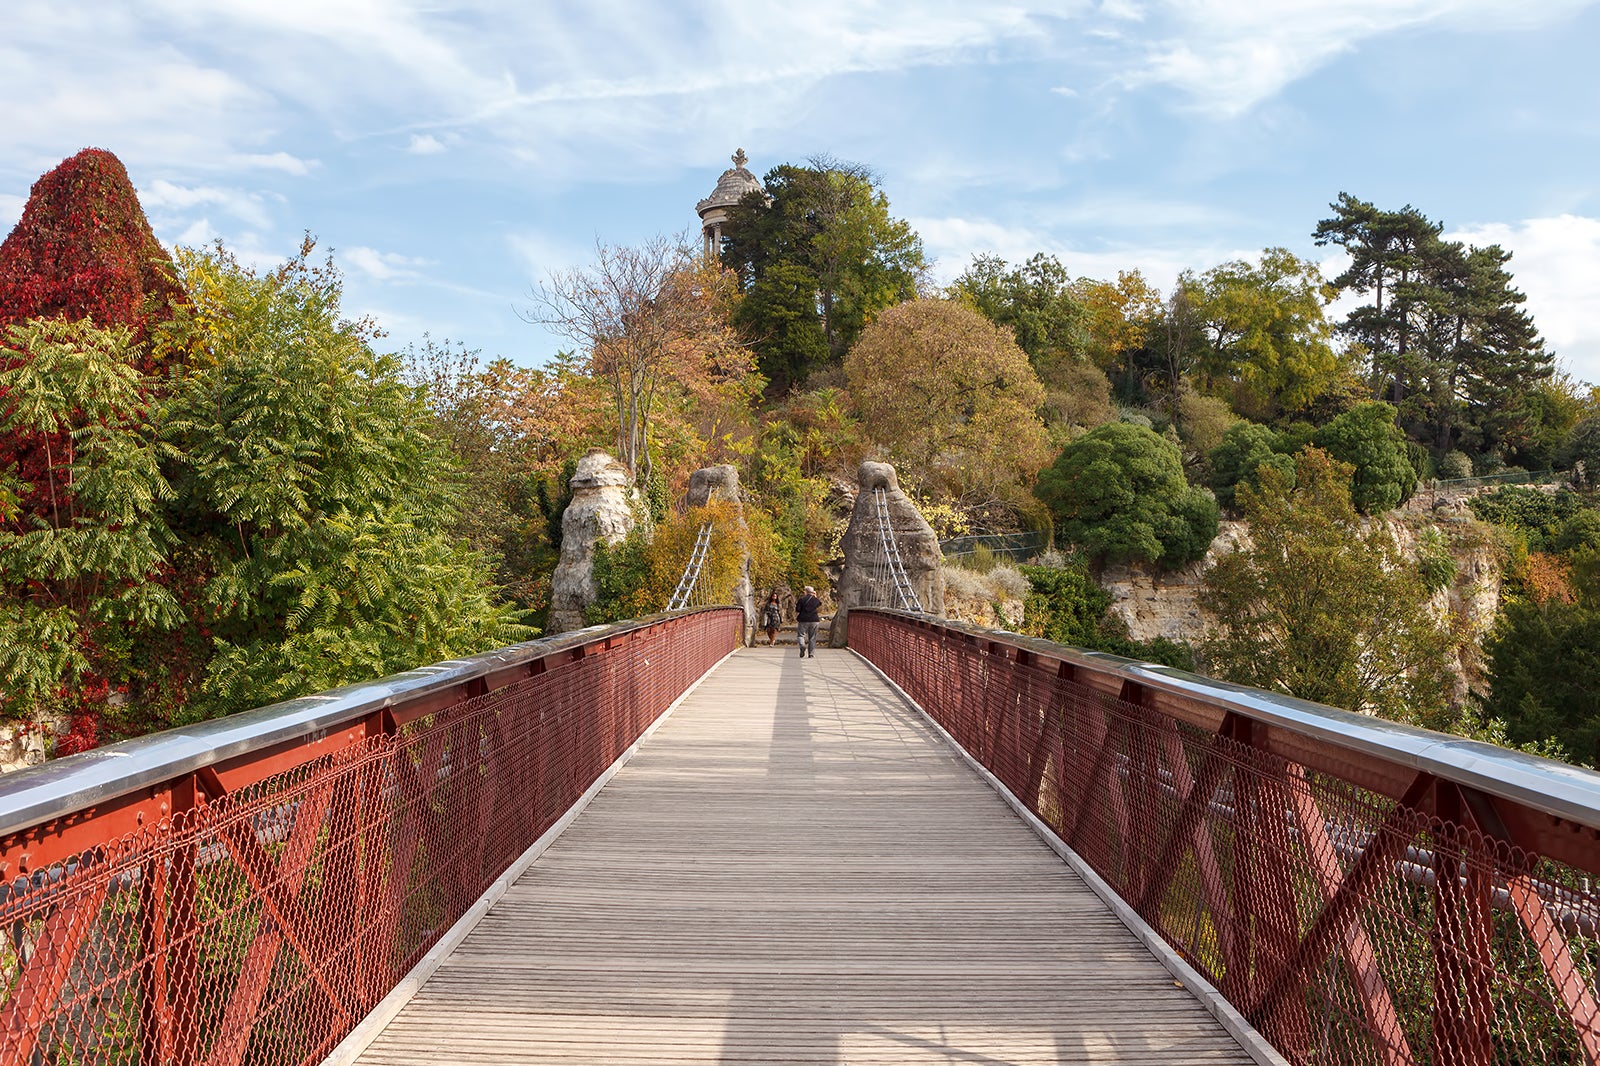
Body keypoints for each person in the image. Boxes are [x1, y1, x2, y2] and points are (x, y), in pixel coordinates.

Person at [795, 585, 822, 658]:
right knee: (812, 637)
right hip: (814, 620)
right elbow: (819, 603)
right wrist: (815, 596)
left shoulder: (802, 600)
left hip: (803, 620)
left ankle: (802, 645)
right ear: (812, 592)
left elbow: (797, 609)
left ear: (806, 592)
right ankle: (811, 654)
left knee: (801, 635)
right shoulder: (816, 600)